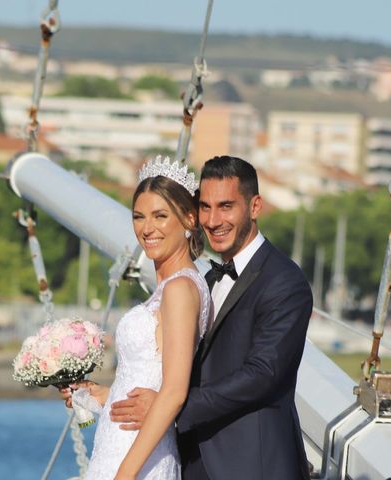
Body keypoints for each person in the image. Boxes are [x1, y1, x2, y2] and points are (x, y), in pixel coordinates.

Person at [110, 156, 313, 479]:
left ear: (255, 206)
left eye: (226, 206)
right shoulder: (206, 280)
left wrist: (174, 407)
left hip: (252, 466)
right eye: (205, 207)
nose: (214, 220)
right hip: (193, 463)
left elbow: (263, 374)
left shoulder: (284, 281)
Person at [62, 157, 211, 480]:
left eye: (160, 216)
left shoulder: (180, 289)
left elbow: (173, 392)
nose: (147, 228)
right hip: (119, 446)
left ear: (188, 218)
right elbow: (148, 378)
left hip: (139, 460)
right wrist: (101, 394)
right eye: (139, 216)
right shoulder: (172, 287)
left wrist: (124, 475)